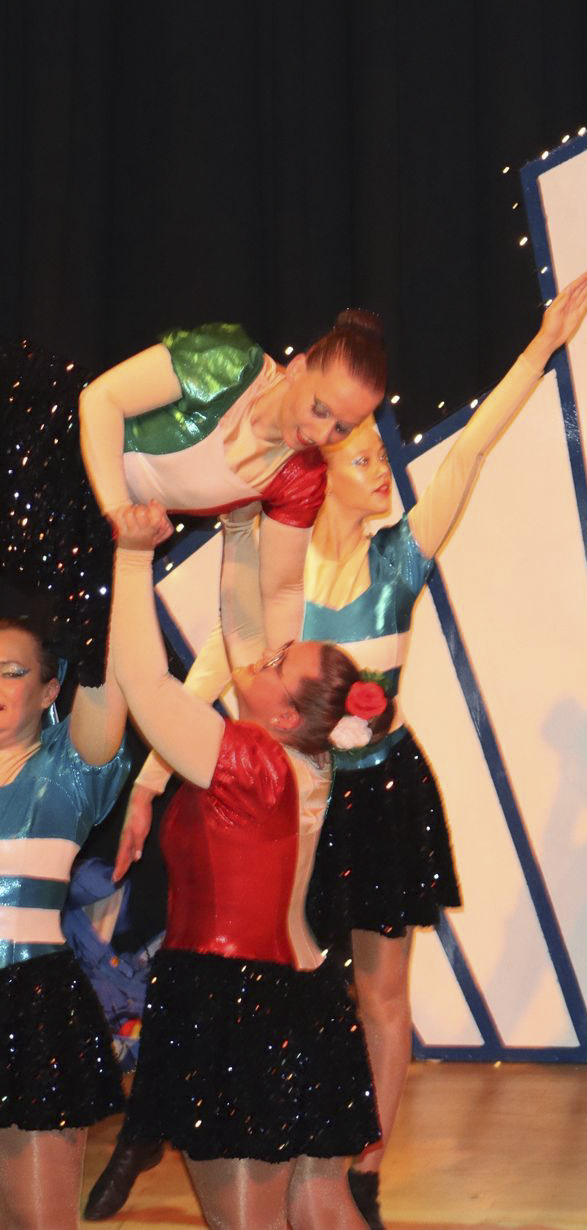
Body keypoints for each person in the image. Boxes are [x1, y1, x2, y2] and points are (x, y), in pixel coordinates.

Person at [96, 270, 587, 1228]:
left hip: (374, 794)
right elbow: (213, 666)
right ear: (322, 468)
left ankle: (357, 1164)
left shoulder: (400, 560)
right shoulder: (283, 572)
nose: (381, 470)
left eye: (377, 451)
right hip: (276, 797)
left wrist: (541, 345)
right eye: (360, 453)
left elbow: (472, 451)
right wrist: (151, 783)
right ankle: (178, 1126)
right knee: (251, 953)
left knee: (370, 988)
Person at [107, 498, 390, 1229]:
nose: (260, 656)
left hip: (232, 1000)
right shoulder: (307, 757)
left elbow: (143, 684)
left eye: (277, 663)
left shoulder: (248, 761)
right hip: (308, 995)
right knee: (320, 1203)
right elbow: (242, 634)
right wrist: (239, 526)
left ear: (286, 714)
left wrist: (132, 557)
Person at [78, 310, 389, 654]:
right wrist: (118, 508)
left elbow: (282, 591)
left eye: (342, 428)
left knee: (106, 664)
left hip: (104, 529)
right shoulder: (228, 363)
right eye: (320, 409)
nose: (321, 434)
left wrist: (281, 666)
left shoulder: (302, 476)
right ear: (298, 369)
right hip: (62, 450)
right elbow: (100, 400)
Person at [0, 614, 131, 1229]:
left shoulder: (68, 771)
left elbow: (108, 685)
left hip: (29, 1006)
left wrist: (115, 575)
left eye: (12, 672)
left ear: (50, 689)